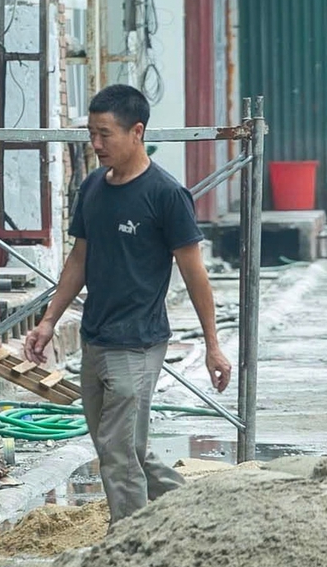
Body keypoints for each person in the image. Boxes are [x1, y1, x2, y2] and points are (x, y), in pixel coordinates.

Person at [22, 84, 234, 522]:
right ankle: (196, 513)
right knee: (122, 447)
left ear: (137, 132)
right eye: (91, 134)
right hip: (96, 338)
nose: (95, 145)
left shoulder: (166, 195)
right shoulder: (95, 186)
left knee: (117, 456)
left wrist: (213, 345)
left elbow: (195, 275)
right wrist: (48, 321)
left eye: (105, 134)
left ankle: (129, 547)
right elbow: (79, 258)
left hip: (137, 344)